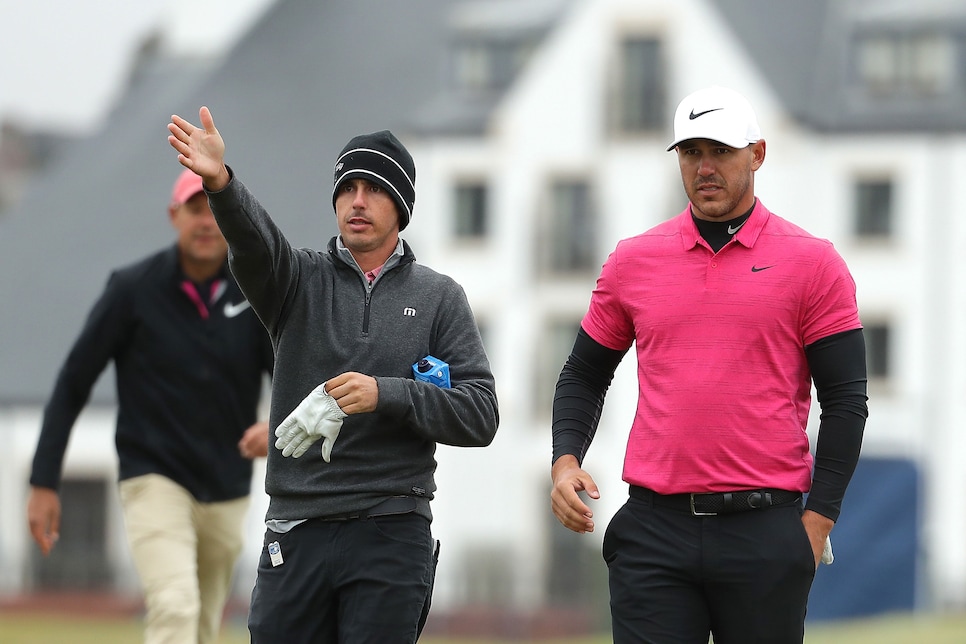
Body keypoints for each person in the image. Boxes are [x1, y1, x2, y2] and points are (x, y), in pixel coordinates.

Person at [166, 106, 499, 643]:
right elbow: (255, 242)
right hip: (296, 531)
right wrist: (222, 184)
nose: (358, 201)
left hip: (392, 528)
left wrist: (383, 394)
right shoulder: (296, 280)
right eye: (347, 188)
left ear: (402, 206)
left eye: (375, 188)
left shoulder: (440, 299)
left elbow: (481, 416)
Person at [549, 86, 868, 643]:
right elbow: (584, 372)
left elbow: (846, 402)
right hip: (654, 532)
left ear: (758, 154)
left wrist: (815, 525)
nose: (705, 167)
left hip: (764, 531)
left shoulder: (813, 263)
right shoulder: (633, 260)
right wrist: (565, 460)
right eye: (691, 152)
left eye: (720, 151)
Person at [26, 168, 274, 644]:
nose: (205, 222)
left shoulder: (254, 294)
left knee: (202, 626)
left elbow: (289, 371)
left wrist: (278, 424)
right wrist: (43, 481)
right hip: (153, 477)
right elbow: (73, 381)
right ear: (173, 216)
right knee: (175, 609)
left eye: (213, 210)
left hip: (228, 485)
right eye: (193, 210)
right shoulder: (131, 289)